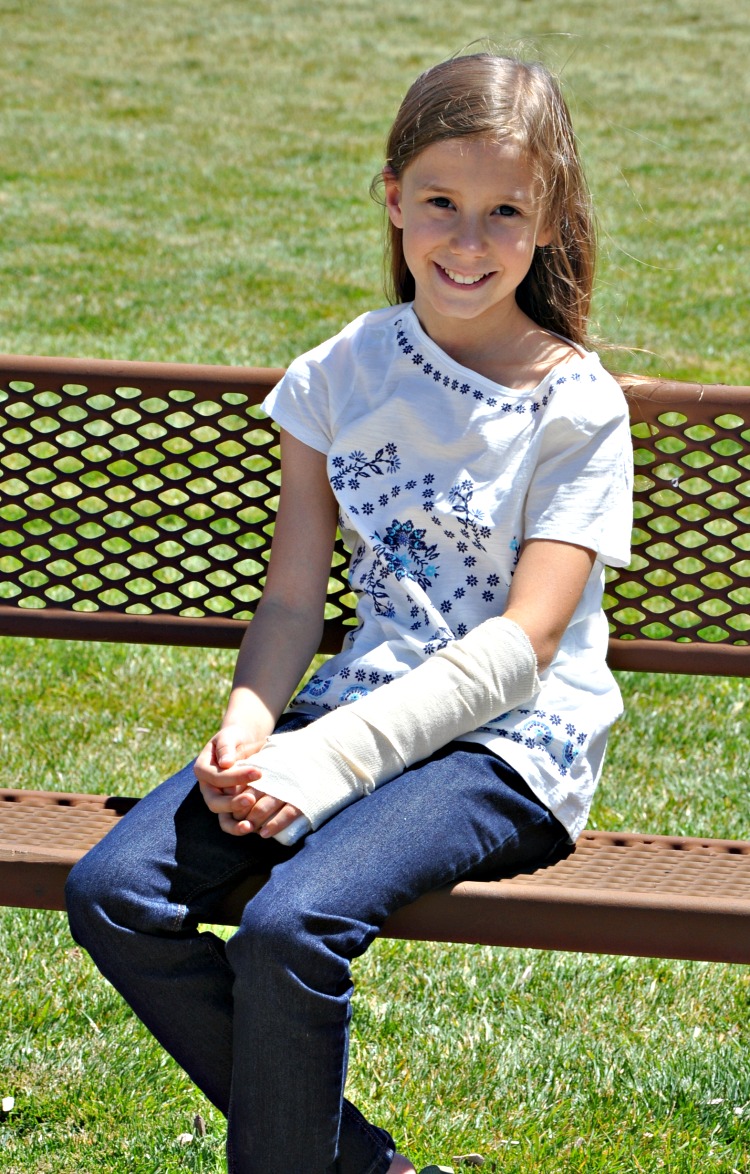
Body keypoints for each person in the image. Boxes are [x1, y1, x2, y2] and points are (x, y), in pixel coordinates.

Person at [66, 51, 633, 1174]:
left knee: (289, 925)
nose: (466, 244)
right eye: (441, 205)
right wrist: (246, 722)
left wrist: (323, 763)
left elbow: (525, 648)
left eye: (505, 212)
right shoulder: (341, 373)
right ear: (391, 198)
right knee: (115, 891)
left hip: (509, 749)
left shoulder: (575, 405)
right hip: (353, 707)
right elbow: (291, 594)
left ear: (551, 218)